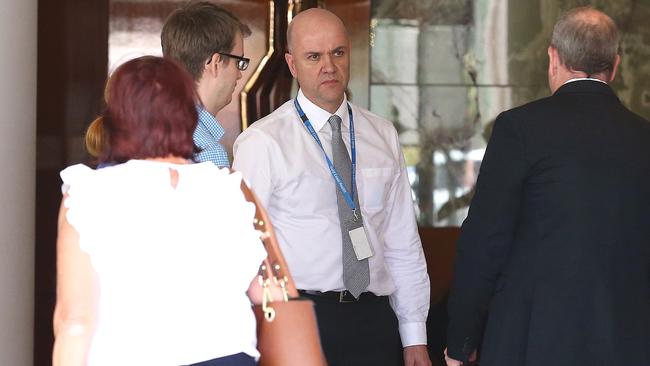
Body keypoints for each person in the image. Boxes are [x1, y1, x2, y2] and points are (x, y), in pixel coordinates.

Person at [445, 7, 650, 366]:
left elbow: (484, 242)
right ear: (615, 66)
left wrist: (462, 339)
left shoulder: (519, 129)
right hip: (627, 342)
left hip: (531, 342)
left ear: (553, 57)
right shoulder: (644, 138)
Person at [233, 8, 431, 366]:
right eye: (314, 56)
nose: (329, 66)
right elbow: (242, 249)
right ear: (293, 65)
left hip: (374, 319)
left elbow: (403, 241)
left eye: (338, 52)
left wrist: (414, 335)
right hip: (300, 318)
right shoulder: (262, 142)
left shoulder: (381, 133)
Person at [52, 56, 267, 366]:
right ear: (186, 113)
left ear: (118, 116)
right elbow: (262, 291)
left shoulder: (88, 192)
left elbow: (75, 319)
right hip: (227, 357)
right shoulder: (229, 188)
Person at [161, 1, 251, 167]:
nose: (239, 74)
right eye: (238, 62)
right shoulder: (208, 153)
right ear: (215, 63)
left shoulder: (143, 130)